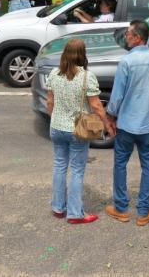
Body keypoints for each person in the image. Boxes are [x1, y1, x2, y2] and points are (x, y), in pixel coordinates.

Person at [105, 20, 149, 227]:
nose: (126, 37)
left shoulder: (126, 62)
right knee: (148, 166)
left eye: (128, 34)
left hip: (127, 123)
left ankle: (121, 208)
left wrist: (110, 116)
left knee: (120, 164)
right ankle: (143, 211)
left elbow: (116, 97)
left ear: (138, 38)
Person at [46, 39, 114, 224]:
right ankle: (75, 213)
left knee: (59, 166)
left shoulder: (54, 74)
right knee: (77, 170)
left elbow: (49, 102)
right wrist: (107, 125)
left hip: (56, 127)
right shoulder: (86, 76)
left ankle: (58, 207)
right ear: (82, 55)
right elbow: (96, 106)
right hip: (78, 130)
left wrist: (55, 118)